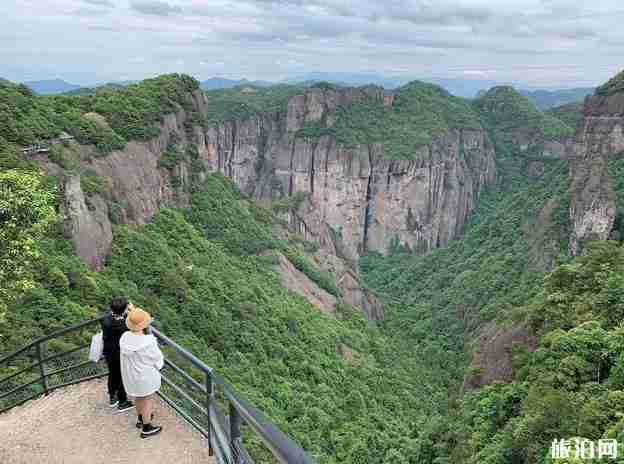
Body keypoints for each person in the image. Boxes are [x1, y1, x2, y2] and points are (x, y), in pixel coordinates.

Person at [120, 307, 164, 438]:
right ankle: (147, 427)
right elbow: (157, 358)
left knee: (138, 397)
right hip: (144, 376)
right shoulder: (148, 342)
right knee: (147, 399)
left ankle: (141, 418)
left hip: (131, 375)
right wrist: (160, 365)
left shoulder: (125, 337)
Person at [100, 297, 134, 412]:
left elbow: (115, 318)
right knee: (122, 376)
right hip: (121, 354)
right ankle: (122, 402)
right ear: (124, 310)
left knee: (112, 373)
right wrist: (131, 311)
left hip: (109, 352)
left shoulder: (105, 320)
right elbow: (135, 323)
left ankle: (112, 397)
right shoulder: (125, 324)